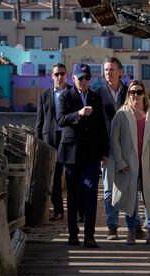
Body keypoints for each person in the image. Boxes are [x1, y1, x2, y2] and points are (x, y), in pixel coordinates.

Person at [110, 80, 150, 245]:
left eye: (139, 91)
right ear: (128, 94)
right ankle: (131, 231)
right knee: (130, 199)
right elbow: (114, 141)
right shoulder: (121, 115)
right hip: (128, 164)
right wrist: (120, 162)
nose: (135, 95)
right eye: (132, 92)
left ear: (144, 94)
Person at [56, 64, 109, 248]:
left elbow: (102, 125)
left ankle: (89, 235)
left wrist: (105, 152)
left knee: (91, 194)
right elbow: (60, 120)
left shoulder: (95, 97)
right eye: (81, 78)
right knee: (72, 195)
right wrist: (77, 114)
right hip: (72, 154)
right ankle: (72, 234)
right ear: (73, 79)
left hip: (92, 155)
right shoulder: (65, 96)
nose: (84, 81)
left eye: (87, 78)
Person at [96, 57, 144, 240]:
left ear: (120, 72)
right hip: (107, 150)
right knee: (109, 190)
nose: (108, 72)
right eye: (106, 69)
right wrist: (100, 151)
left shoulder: (130, 92)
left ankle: (135, 225)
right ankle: (112, 226)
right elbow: (96, 125)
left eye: (112, 69)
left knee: (131, 188)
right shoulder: (97, 93)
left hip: (129, 149)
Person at [35, 63, 71, 221]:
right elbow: (39, 120)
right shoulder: (44, 95)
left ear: (66, 75)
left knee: (72, 176)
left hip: (69, 138)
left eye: (62, 74)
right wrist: (38, 142)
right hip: (50, 139)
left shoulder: (72, 92)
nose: (59, 77)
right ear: (52, 76)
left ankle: (78, 212)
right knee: (55, 177)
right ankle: (58, 211)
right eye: (56, 74)